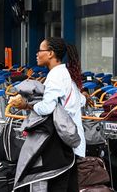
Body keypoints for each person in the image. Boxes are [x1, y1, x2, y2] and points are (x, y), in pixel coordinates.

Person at [11, 37, 85, 191]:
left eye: (40, 50)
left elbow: (47, 108)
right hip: (71, 140)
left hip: (63, 144)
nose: (37, 54)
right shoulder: (64, 72)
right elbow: (79, 100)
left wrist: (26, 105)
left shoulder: (55, 76)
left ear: (50, 53)